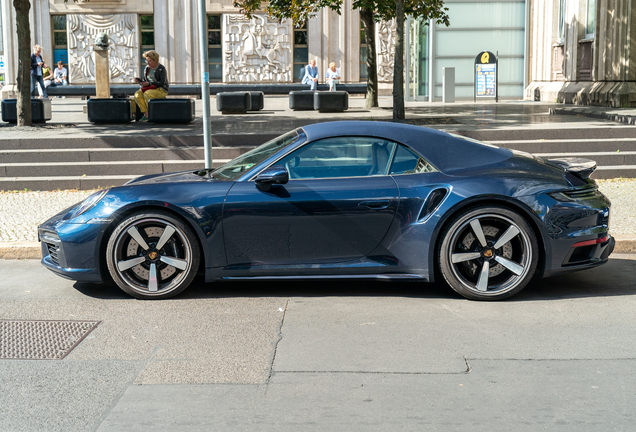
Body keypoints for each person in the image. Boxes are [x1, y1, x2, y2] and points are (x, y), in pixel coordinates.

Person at [133, 50, 169, 122]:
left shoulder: (161, 68)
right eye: (147, 61)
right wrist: (140, 81)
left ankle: (151, 114)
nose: (148, 63)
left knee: (147, 94)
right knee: (137, 94)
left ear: (155, 60)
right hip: (148, 88)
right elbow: (145, 80)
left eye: (149, 61)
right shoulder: (147, 68)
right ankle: (146, 114)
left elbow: (162, 82)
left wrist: (150, 83)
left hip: (160, 89)